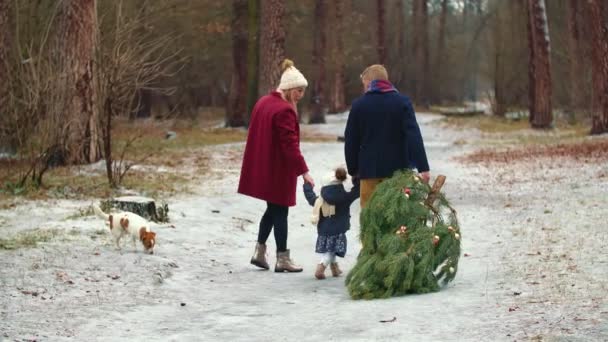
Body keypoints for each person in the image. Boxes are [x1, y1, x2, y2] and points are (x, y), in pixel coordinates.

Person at [238, 59, 314, 273]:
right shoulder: (284, 111)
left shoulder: (263, 102)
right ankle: (282, 258)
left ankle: (259, 252)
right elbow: (289, 145)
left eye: (303, 91)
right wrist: (304, 172)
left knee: (272, 210)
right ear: (289, 89)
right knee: (280, 212)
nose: (301, 95)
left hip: (264, 168)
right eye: (299, 91)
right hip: (278, 170)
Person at [344, 64, 430, 208]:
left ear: (369, 83)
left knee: (370, 218)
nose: (364, 89)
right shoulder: (402, 102)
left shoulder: (359, 105)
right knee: (397, 217)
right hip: (399, 173)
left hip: (369, 172)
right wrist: (423, 167)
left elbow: (351, 140)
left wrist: (353, 169)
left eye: (364, 85)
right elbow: (413, 135)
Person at [303, 167, 360, 280]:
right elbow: (357, 191)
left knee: (331, 248)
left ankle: (335, 269)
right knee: (330, 251)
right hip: (338, 230)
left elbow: (310, 197)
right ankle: (321, 267)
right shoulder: (345, 198)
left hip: (324, 231)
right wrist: (357, 179)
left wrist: (307, 186)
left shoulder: (320, 200)